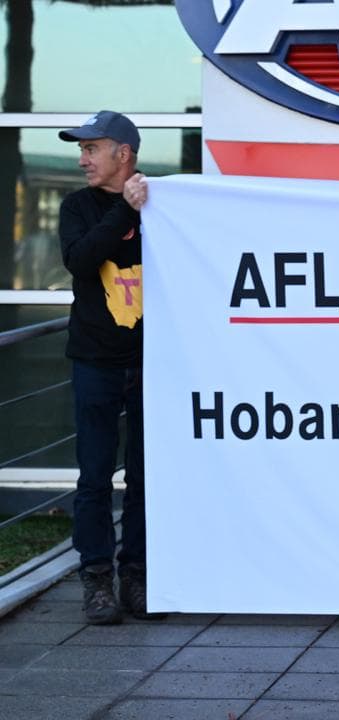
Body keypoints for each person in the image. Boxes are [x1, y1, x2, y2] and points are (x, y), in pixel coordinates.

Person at [58, 110, 157, 624]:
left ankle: (136, 575)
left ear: (123, 153)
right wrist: (125, 211)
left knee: (144, 475)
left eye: (91, 149)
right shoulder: (77, 206)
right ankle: (96, 579)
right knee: (95, 476)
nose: (82, 159)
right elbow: (80, 259)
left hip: (152, 362)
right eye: (81, 149)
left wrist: (142, 207)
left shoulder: (163, 201)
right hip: (95, 361)